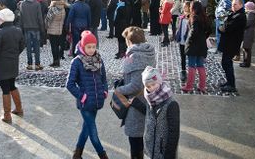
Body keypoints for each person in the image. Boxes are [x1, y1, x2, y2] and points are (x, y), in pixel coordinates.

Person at [67, 31, 109, 159]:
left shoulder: (99, 59)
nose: (91, 50)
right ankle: (103, 155)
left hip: (96, 101)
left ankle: (77, 154)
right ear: (82, 46)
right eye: (88, 47)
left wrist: (105, 91)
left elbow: (104, 79)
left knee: (86, 129)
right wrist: (82, 96)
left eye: (93, 46)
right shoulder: (77, 62)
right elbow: (70, 84)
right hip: (85, 103)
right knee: (93, 133)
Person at [116, 27, 155, 158]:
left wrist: (119, 90)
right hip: (145, 100)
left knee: (135, 140)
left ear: (129, 40)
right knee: (138, 139)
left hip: (136, 104)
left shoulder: (136, 56)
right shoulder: (147, 52)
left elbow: (136, 85)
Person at [134, 66, 180, 159]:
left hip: (162, 152)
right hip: (149, 150)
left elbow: (174, 133)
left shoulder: (171, 104)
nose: (151, 89)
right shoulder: (149, 98)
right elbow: (149, 113)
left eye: (153, 84)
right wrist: (135, 103)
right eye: (148, 86)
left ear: (159, 81)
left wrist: (169, 155)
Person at [0, 8, 25, 123]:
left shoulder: (0, 32)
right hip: (13, 62)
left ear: (2, 19)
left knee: (5, 89)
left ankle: (7, 115)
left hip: (2, 63)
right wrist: (15, 54)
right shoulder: (18, 30)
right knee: (12, 85)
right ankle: (19, 108)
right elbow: (22, 45)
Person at [218, 0, 246, 93]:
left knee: (227, 63)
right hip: (228, 43)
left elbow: (226, 28)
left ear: (241, 5)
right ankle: (229, 82)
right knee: (225, 63)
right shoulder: (233, 13)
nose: (233, 6)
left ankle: (231, 85)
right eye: (233, 4)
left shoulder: (240, 16)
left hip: (232, 44)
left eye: (235, 5)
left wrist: (220, 27)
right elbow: (225, 25)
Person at [182, 1, 210, 93]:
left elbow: (194, 31)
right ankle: (202, 86)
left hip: (194, 45)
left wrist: (188, 41)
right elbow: (209, 30)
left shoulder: (194, 17)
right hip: (202, 45)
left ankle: (189, 86)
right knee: (200, 65)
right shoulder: (204, 17)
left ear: (193, 8)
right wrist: (203, 38)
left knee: (191, 66)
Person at [19, 0, 45, 70]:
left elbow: (21, 17)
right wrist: (42, 29)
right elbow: (39, 18)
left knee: (28, 47)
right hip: (36, 28)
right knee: (37, 46)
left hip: (26, 27)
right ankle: (37, 64)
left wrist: (21, 28)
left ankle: (29, 64)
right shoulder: (37, 3)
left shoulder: (22, 4)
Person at [45, 0, 66, 67]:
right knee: (57, 46)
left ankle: (55, 61)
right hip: (59, 30)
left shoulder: (53, 9)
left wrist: (46, 27)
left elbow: (48, 20)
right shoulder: (63, 8)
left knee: (53, 47)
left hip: (52, 30)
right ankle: (58, 61)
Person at [175, 1, 191, 82]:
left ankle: (191, 71)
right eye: (183, 6)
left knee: (190, 57)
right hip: (181, 40)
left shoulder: (192, 17)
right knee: (182, 56)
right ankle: (183, 71)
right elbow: (178, 27)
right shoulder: (181, 16)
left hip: (188, 41)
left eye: (185, 6)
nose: (184, 7)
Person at [240, 2, 255, 68]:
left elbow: (247, 24)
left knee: (247, 48)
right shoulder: (251, 13)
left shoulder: (251, 14)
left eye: (246, 7)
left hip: (248, 33)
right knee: (245, 48)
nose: (245, 8)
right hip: (248, 33)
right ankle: (245, 62)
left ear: (249, 7)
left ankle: (246, 63)